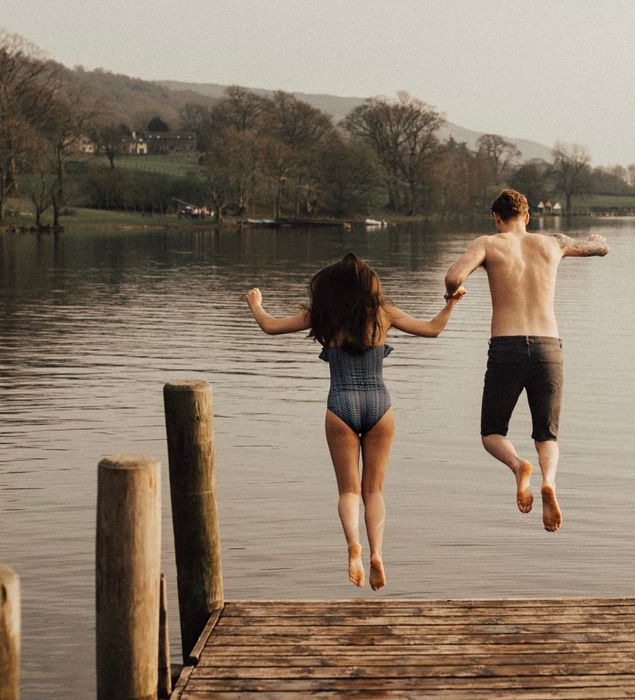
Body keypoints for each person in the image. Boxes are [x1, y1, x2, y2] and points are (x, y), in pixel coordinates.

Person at [244, 253, 465, 590]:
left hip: (340, 405)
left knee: (348, 490)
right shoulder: (383, 313)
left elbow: (270, 326)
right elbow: (433, 329)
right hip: (380, 406)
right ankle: (377, 552)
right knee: (374, 491)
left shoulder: (323, 314)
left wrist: (255, 303)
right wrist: (450, 304)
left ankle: (354, 547)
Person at [444, 189, 609, 532]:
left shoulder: (488, 243)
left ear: (496, 218)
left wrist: (453, 292)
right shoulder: (554, 243)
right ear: (528, 217)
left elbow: (454, 276)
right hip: (549, 347)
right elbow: (598, 248)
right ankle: (549, 481)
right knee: (547, 436)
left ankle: (520, 466)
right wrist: (596, 239)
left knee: (491, 432)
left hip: (506, 346)